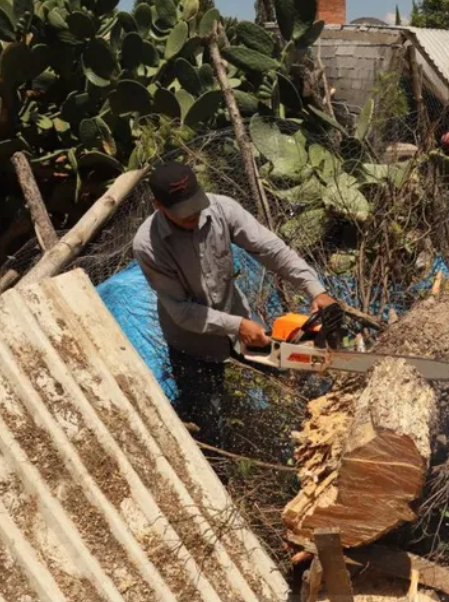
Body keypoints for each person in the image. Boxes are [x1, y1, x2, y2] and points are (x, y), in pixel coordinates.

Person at [133, 161, 335, 448]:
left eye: (195, 205)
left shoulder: (222, 209)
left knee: (295, 370)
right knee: (209, 425)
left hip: (241, 325)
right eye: (182, 211)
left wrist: (317, 290)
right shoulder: (148, 245)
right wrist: (236, 325)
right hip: (192, 343)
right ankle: (221, 476)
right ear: (158, 206)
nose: (192, 215)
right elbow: (180, 310)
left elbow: (272, 250)